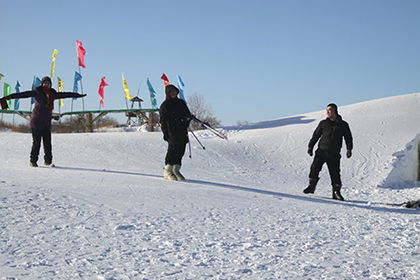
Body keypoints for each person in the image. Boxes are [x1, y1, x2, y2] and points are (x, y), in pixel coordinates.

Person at [0, 76, 86, 167]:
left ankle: (48, 162)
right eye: (44, 83)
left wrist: (78, 95)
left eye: (48, 83)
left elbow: (66, 94)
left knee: (47, 143)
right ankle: (33, 161)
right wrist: (7, 97)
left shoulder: (53, 94)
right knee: (36, 142)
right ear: (42, 84)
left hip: (46, 122)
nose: (46, 85)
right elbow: (22, 94)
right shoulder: (37, 92)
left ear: (50, 84)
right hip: (36, 121)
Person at [304, 103, 353, 200]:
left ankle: (336, 192)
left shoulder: (343, 125)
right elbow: (316, 135)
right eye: (327, 110)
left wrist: (349, 149)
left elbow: (348, 138)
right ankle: (311, 186)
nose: (327, 112)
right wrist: (310, 147)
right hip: (321, 151)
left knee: (335, 173)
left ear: (335, 111)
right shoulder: (323, 123)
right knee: (314, 168)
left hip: (334, 153)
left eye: (329, 110)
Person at [159, 84, 191, 180]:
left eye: (175, 91)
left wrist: (187, 119)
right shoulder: (165, 105)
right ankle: (167, 171)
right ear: (168, 93)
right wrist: (165, 133)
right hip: (171, 132)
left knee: (181, 150)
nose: (173, 93)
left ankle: (176, 170)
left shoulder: (181, 103)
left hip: (182, 131)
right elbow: (163, 121)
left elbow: (187, 114)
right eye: (171, 92)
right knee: (173, 151)